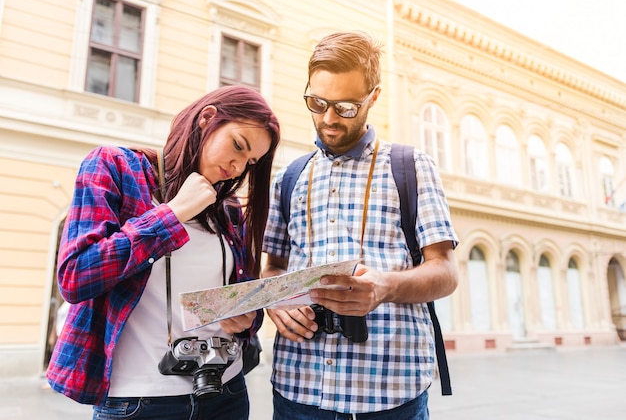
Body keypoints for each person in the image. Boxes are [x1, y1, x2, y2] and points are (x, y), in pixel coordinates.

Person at [46, 85, 281, 420]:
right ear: (207, 119)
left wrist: (246, 319)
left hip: (225, 391)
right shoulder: (114, 167)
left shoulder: (227, 209)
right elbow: (76, 276)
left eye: (250, 161)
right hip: (139, 400)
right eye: (237, 146)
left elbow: (242, 296)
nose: (239, 166)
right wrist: (172, 215)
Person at [262, 31, 459, 419]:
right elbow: (274, 269)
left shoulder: (412, 167)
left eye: (346, 107)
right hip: (298, 389)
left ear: (373, 97)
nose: (329, 118)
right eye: (316, 103)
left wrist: (386, 287)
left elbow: (446, 272)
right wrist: (276, 301)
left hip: (390, 393)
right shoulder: (289, 177)